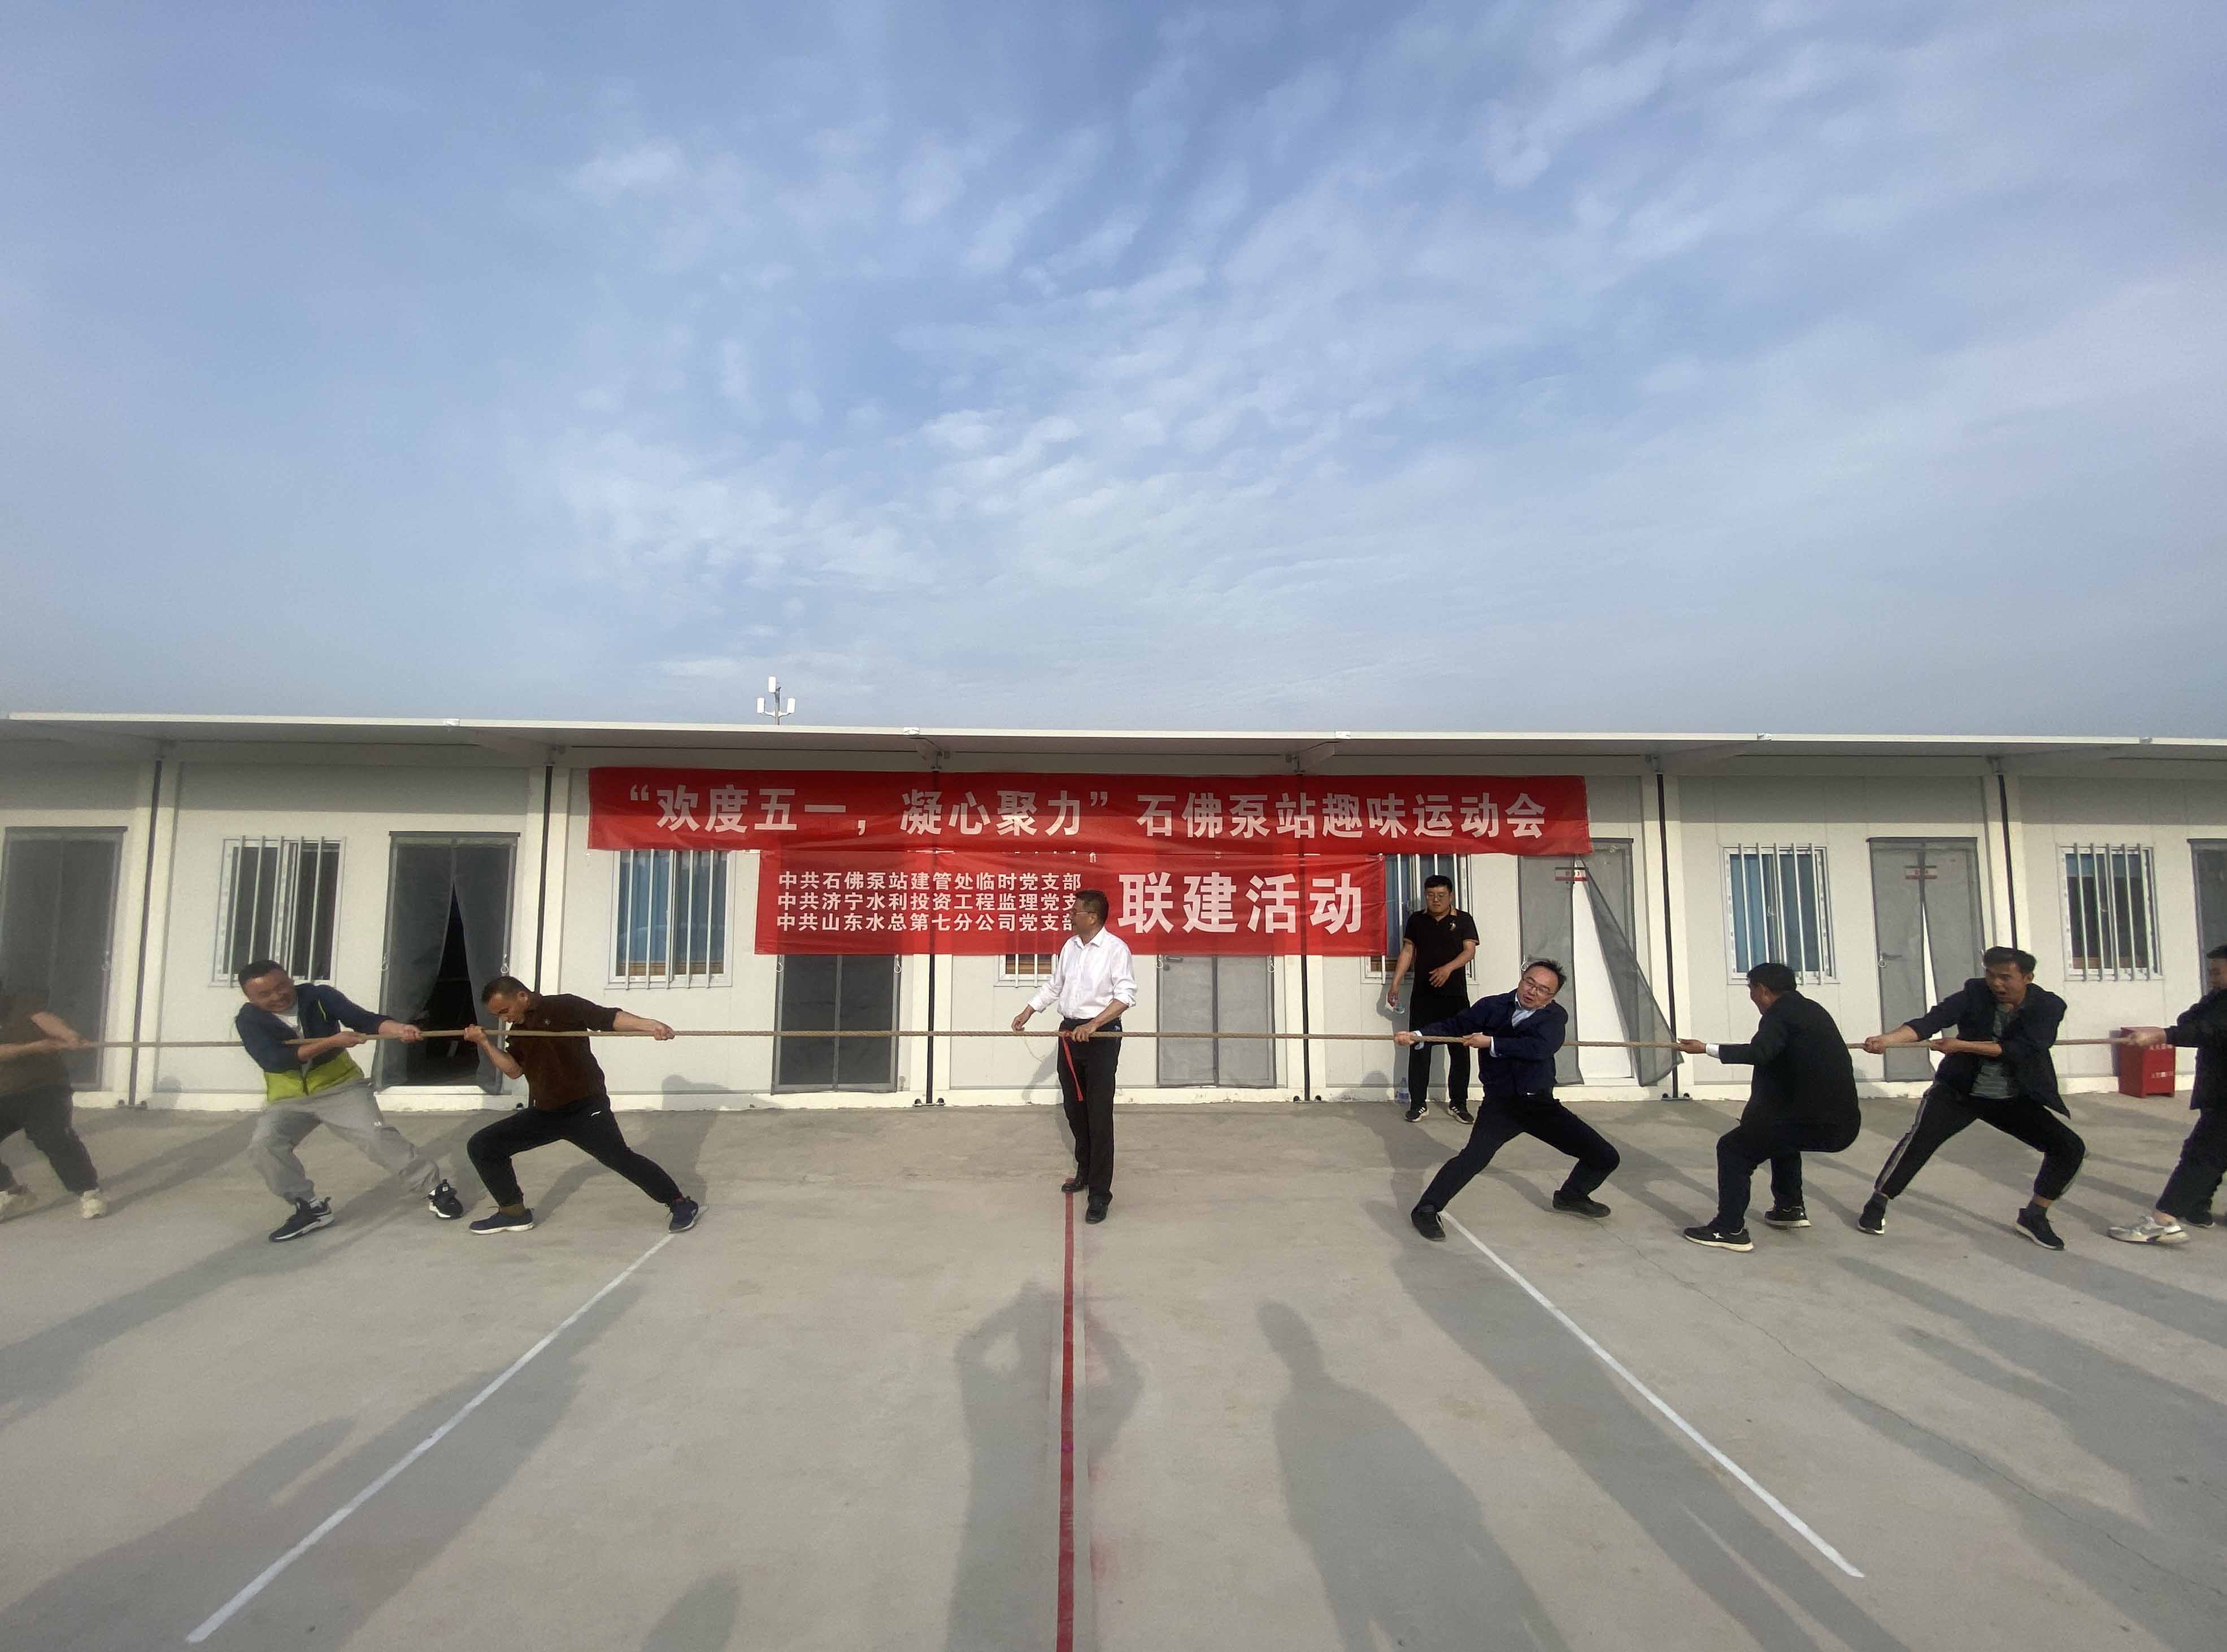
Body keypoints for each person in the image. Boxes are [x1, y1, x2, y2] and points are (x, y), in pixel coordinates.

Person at [1857, 946, 2082, 1251]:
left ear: (2028, 978)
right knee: (1920, 1141)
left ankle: (2035, 1215)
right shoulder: (1974, 994)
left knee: (2069, 1148)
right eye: (1991, 975)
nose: (1996, 983)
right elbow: (1930, 1022)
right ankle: (1879, 1201)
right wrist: (1887, 1040)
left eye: (2005, 977)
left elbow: (2021, 1049)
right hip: (1958, 1092)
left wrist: (1962, 1046)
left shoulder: (2048, 1006)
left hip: (2011, 1097)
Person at [235, 961, 464, 1242]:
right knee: (264, 1146)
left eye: (281, 985)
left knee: (375, 1135)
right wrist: (331, 1042)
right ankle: (310, 1208)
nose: (278, 995)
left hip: (341, 1088)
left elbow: (364, 1020)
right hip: (288, 1099)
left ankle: (434, 1188)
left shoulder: (319, 996)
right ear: (250, 998)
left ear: (290, 979)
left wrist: (398, 1028)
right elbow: (275, 1060)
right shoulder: (248, 1019)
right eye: (265, 994)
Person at [462, 977, 700, 1235]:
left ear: (522, 996)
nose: (503, 1018)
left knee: (620, 1158)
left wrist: (650, 1025)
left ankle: (680, 1203)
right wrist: (484, 1043)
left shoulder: (562, 1006)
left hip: (586, 1109)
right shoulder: (518, 1031)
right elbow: (514, 1071)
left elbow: (608, 1019)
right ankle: (513, 1213)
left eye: (504, 1011)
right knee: (483, 1146)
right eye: (497, 1015)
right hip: (546, 1113)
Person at [1400, 959, 1617, 1240]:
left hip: (1539, 1105)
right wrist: (1419, 1035)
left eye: (1543, 990)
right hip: (1501, 1106)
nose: (1532, 992)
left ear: (1551, 997)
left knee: (1605, 1157)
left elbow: (1539, 1048)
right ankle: (1426, 1210)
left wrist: (1491, 1042)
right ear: (1522, 979)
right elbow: (1456, 1025)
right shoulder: (1493, 1006)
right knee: (1473, 1158)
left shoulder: (1554, 1017)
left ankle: (1571, 1196)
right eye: (1530, 983)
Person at [1676, 962, 1861, 1252]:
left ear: (1762, 990)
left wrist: (1706, 1049)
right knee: (1780, 1139)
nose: (1752, 998)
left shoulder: (1779, 1014)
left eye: (1751, 990)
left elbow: (1760, 1053)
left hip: (1814, 1120)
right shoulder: (1812, 1010)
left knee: (1733, 1149)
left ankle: (1729, 1229)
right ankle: (1789, 1208)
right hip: (1842, 1124)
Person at [1011, 889, 1136, 1225]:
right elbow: (1055, 985)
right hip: (1069, 1034)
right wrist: (1029, 1011)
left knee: (1099, 1113)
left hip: (1101, 1036)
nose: (1069, 915)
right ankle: (1085, 1169)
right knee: (1074, 1109)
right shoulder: (1070, 947)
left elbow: (1125, 996)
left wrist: (1094, 1024)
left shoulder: (1115, 950)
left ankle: (1100, 1194)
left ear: (1092, 917)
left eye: (1075, 911)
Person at [2107, 944, 2227, 1245]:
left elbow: (2208, 1032)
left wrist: (2163, 1035)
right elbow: (2190, 1020)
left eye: (2217, 972)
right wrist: (2213, 998)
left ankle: (2164, 1221)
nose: (2212, 978)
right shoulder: (2219, 999)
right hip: (2218, 1090)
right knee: (2208, 1152)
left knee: (2202, 1155)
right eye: (2211, 972)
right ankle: (2197, 1208)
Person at [0, 985, 106, 1221]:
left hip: (44, 1088)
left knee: (53, 1136)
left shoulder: (20, 1003)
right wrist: (34, 1048)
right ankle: (10, 1192)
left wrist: (69, 1035)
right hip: (3, 1095)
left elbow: (44, 1019)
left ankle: (89, 1192)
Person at [1386, 874, 1481, 1124]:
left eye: (1441, 895)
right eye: (1430, 895)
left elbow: (1469, 951)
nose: (1436, 900)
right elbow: (1408, 951)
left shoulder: (1463, 920)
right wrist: (1395, 983)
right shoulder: (1417, 920)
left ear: (1451, 896)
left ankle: (1459, 1103)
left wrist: (1448, 969)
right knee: (1419, 1048)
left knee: (1460, 1050)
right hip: (1423, 997)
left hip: (1455, 997)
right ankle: (1418, 1104)